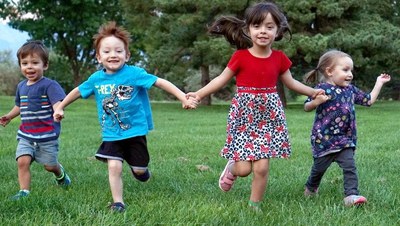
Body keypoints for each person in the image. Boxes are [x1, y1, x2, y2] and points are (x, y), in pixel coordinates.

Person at [186, 2, 323, 211]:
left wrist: (312, 92)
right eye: (257, 26)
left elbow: (292, 83)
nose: (263, 31)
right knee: (243, 169)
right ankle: (231, 168)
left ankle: (254, 205)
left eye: (269, 27)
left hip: (269, 117)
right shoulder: (240, 56)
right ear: (248, 29)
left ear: (278, 31)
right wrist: (198, 94)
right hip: (244, 117)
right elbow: (220, 80)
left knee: (261, 167)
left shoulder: (279, 58)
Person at [53, 21, 197, 212]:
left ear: (127, 55)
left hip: (135, 131)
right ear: (98, 57)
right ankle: (118, 203)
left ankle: (141, 172)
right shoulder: (96, 79)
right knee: (114, 167)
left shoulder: (134, 73)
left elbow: (160, 83)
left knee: (139, 170)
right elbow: (78, 91)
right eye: (107, 51)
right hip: (112, 133)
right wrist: (61, 106)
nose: (113, 55)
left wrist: (182, 97)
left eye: (119, 51)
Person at [302, 49, 391, 206]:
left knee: (350, 167)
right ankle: (311, 187)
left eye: (351, 70)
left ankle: (351, 195)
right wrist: (316, 102)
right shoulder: (322, 89)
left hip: (345, 139)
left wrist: (379, 83)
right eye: (345, 70)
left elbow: (368, 100)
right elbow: (307, 107)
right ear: (329, 71)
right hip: (324, 139)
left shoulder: (350, 90)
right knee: (319, 169)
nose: (350, 74)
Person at [0, 40, 71, 200]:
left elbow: (57, 103)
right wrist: (10, 116)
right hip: (26, 135)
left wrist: (58, 111)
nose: (29, 67)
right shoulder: (21, 86)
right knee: (22, 161)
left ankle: (60, 174)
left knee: (49, 166)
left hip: (46, 136)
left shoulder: (49, 85)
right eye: (24, 63)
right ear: (20, 66)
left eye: (34, 63)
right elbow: (19, 105)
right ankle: (24, 192)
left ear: (45, 65)